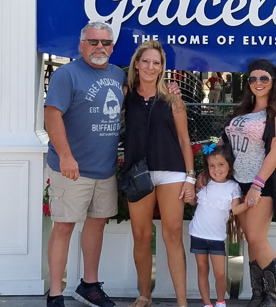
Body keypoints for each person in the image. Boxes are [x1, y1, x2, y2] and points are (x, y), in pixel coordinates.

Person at [44, 21, 126, 307]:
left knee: (96, 224)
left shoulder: (117, 74)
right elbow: (52, 115)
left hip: (104, 169)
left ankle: (89, 285)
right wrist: (66, 156)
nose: (99, 47)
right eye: (93, 42)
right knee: (64, 227)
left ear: (112, 47)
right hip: (72, 169)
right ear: (81, 46)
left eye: (105, 42)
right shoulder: (66, 75)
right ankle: (55, 294)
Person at [122, 40, 196, 307]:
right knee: (141, 235)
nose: (150, 67)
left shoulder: (173, 98)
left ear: (162, 67)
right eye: (146, 61)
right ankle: (145, 294)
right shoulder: (126, 94)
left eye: (156, 62)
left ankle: (182, 301)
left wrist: (190, 177)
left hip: (171, 172)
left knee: (172, 234)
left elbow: (184, 139)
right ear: (137, 64)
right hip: (137, 173)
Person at [224, 59, 276, 307]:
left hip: (260, 183)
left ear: (273, 82)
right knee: (250, 239)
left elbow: (275, 152)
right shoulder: (243, 111)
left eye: (264, 78)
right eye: (253, 78)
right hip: (237, 181)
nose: (258, 83)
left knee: (256, 238)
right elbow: (227, 144)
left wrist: (257, 185)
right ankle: (259, 293)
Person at [188, 142, 248, 307]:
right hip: (198, 234)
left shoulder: (233, 187)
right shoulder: (204, 182)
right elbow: (194, 202)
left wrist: (248, 203)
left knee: (220, 273)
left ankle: (220, 302)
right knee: (202, 270)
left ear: (229, 165)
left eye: (221, 164)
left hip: (217, 238)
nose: (216, 169)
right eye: (212, 166)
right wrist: (189, 195)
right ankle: (207, 304)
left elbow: (235, 209)